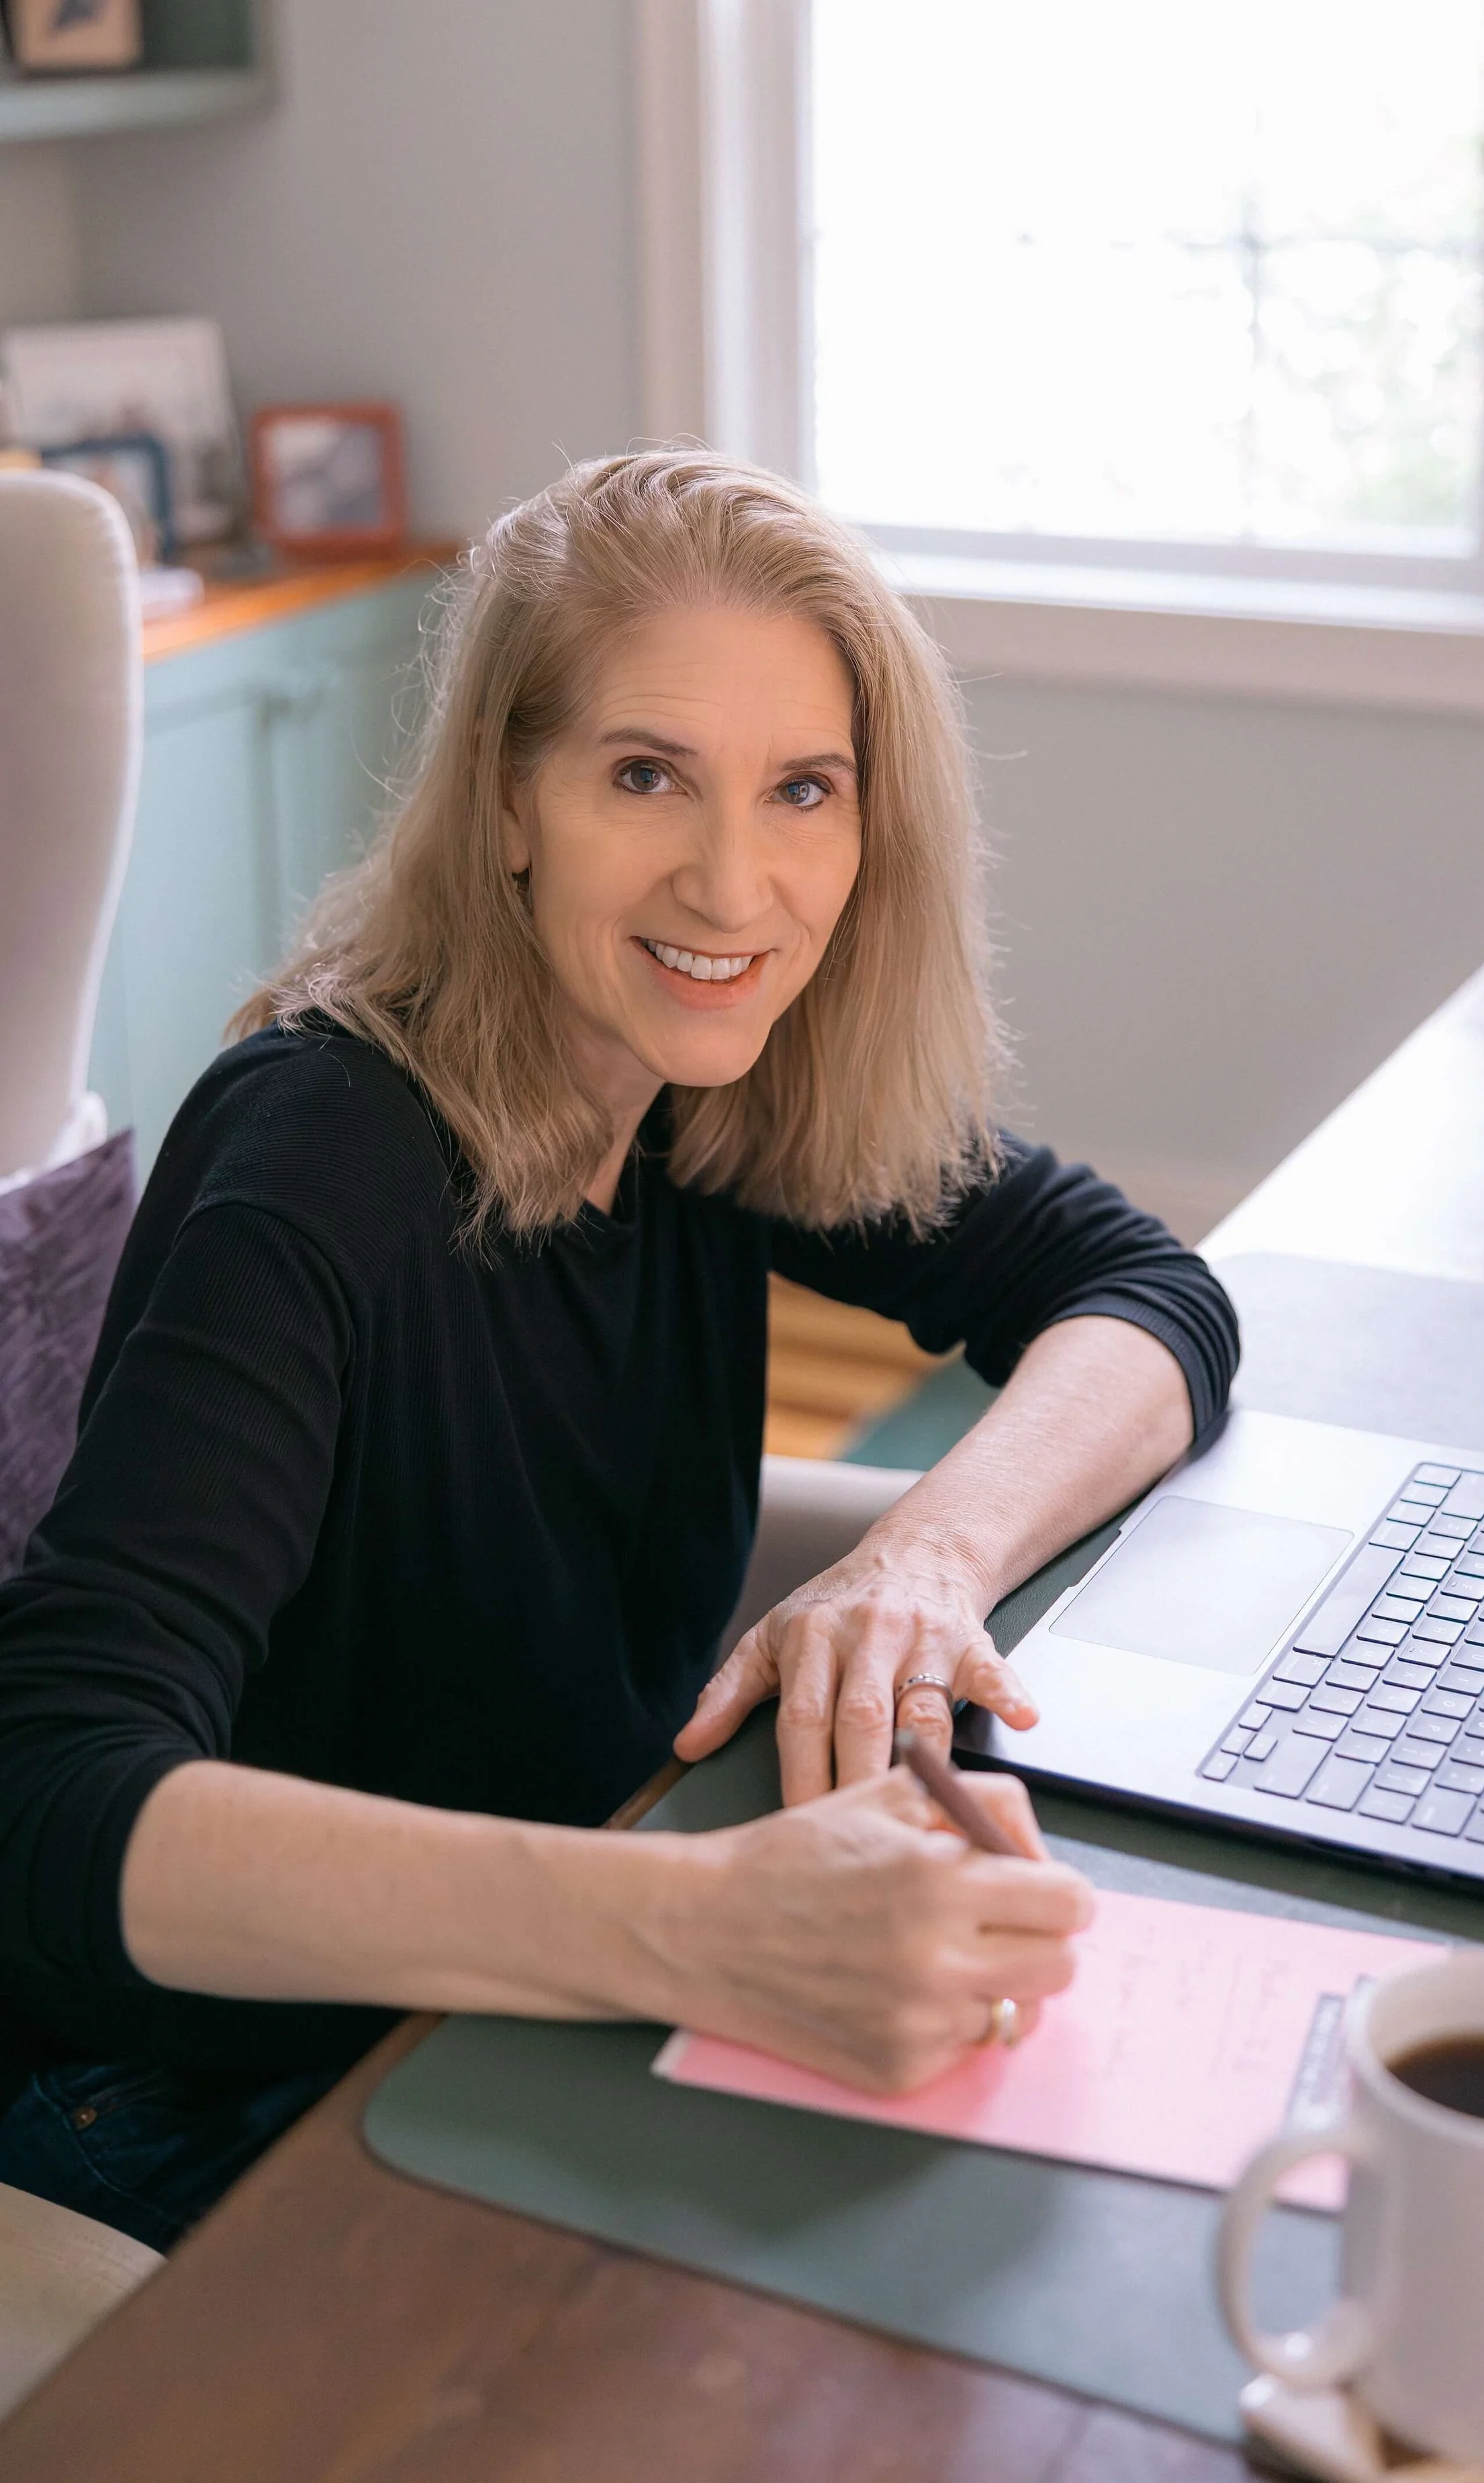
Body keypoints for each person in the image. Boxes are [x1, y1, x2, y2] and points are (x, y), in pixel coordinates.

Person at [0, 452, 1238, 2251]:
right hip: (203, 2097)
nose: (734, 884)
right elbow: (47, 1797)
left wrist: (921, 1560)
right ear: (507, 794)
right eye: (644, 775)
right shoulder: (323, 1154)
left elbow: (1140, 1288)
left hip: (515, 2015)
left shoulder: (688, 1082)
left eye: (802, 790)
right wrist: (698, 1927)